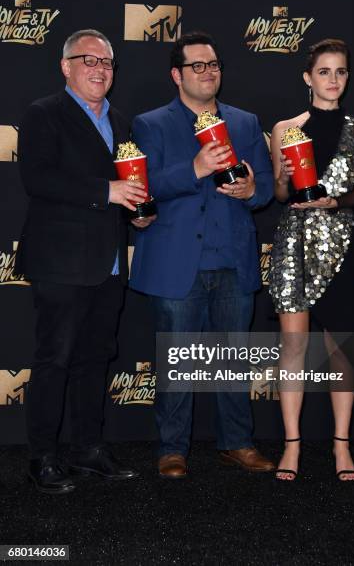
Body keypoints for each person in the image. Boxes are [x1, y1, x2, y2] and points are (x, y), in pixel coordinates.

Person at [129, 31, 275, 478]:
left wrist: (252, 190)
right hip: (177, 264)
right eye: (198, 66)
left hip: (232, 260)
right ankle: (172, 448)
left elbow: (266, 187)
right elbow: (143, 187)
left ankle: (238, 442)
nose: (208, 72)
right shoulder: (149, 124)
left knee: (232, 359)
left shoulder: (246, 123)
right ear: (177, 74)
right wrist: (194, 169)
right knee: (177, 360)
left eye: (213, 65)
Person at [16, 29, 154, 494]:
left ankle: (88, 449)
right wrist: (106, 192)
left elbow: (128, 182)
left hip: (109, 263)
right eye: (88, 60)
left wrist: (135, 213)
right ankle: (42, 456)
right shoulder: (43, 114)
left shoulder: (121, 119)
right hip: (60, 262)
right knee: (55, 360)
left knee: (95, 359)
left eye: (107, 63)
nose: (99, 69)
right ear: (65, 67)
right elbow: (37, 178)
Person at [269, 38, 354, 481]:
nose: (333, 80)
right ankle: (291, 446)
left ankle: (341, 447)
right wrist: (287, 177)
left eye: (341, 72)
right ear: (307, 77)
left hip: (342, 244)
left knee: (342, 351)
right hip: (294, 243)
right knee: (293, 347)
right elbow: (279, 195)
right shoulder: (286, 128)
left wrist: (334, 202)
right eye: (324, 72)